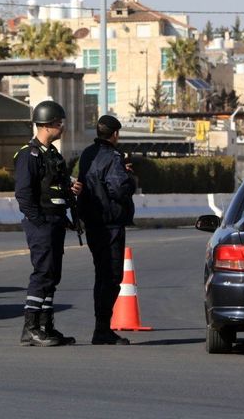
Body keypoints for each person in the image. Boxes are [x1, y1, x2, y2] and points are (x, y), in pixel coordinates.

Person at [14, 100, 82, 347]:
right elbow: (23, 193)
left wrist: (71, 189)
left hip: (55, 220)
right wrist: (38, 220)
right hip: (42, 223)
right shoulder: (28, 155)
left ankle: (46, 326)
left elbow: (57, 185)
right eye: (58, 123)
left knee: (53, 274)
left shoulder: (52, 155)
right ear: (46, 125)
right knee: (42, 273)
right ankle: (30, 328)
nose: (61, 127)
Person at [77, 115, 136, 345]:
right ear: (114, 134)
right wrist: (129, 176)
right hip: (109, 224)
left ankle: (101, 327)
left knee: (101, 275)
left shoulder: (87, 154)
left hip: (92, 222)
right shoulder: (113, 157)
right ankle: (102, 328)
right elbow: (119, 189)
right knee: (111, 277)